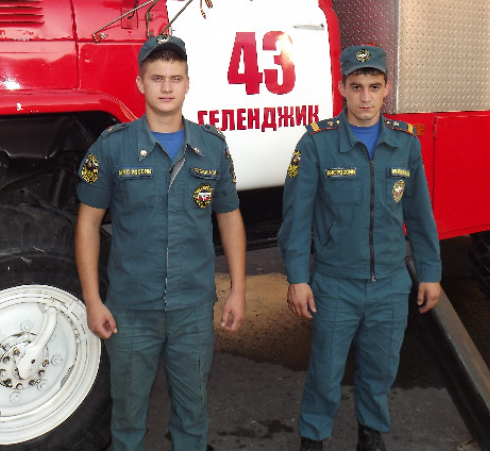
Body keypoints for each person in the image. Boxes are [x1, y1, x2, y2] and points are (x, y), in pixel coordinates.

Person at [75, 33, 247, 451]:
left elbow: (230, 218)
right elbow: (86, 226)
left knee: (193, 416)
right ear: (140, 84)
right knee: (127, 420)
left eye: (175, 77)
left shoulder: (211, 147)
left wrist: (239, 291)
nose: (167, 87)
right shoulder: (112, 148)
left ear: (188, 83)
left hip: (191, 308)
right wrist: (93, 300)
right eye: (157, 78)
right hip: (131, 311)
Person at [278, 44, 442, 451]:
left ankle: (371, 434)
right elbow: (296, 220)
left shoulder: (406, 143)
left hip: (389, 282)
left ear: (387, 88)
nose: (365, 97)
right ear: (342, 89)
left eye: (374, 86)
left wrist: (431, 272)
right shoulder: (317, 143)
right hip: (336, 284)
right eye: (356, 86)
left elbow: (420, 216)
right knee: (325, 372)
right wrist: (298, 278)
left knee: (381, 368)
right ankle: (313, 437)